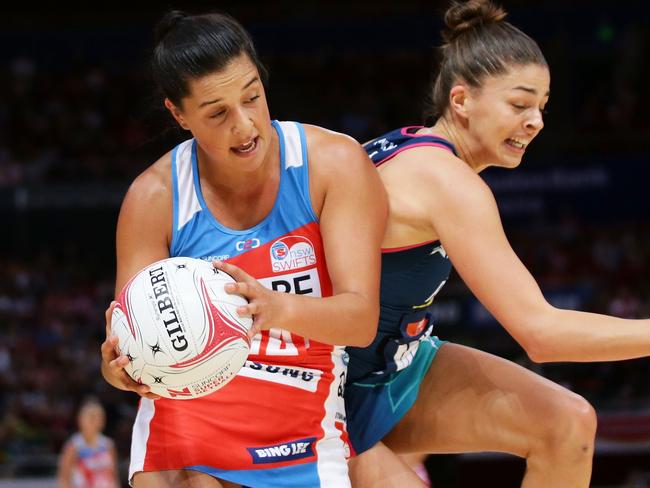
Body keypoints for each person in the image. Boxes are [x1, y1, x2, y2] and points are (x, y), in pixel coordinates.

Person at [344, 1, 650, 487]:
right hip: (325, 388)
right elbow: (542, 335)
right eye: (519, 104)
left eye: (542, 108)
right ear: (461, 100)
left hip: (393, 366)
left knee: (567, 422)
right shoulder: (447, 181)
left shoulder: (404, 144)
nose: (536, 122)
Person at [99, 9, 386, 488]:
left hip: (302, 422)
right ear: (178, 113)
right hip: (189, 421)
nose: (245, 125)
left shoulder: (333, 164)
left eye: (253, 96)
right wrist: (119, 370)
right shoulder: (153, 199)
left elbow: (360, 320)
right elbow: (126, 340)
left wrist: (273, 308)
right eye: (217, 113)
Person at [57, 398, 120, 488]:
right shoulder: (74, 445)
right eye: (92, 417)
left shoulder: (108, 444)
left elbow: (114, 477)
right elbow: (63, 478)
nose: (95, 421)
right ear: (80, 419)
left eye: (99, 417)